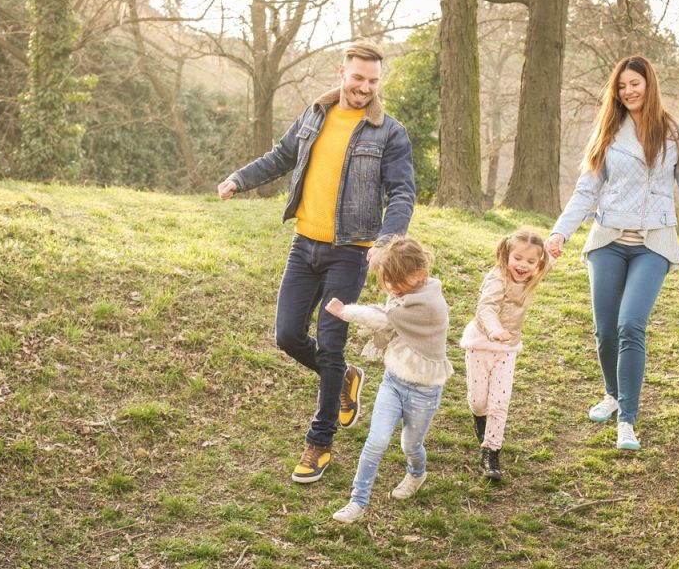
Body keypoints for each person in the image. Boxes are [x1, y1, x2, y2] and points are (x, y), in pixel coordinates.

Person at [217, 40, 416, 483]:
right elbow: (282, 156)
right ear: (341, 72)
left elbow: (402, 192)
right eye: (358, 77)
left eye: (373, 81)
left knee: (329, 343)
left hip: (351, 252)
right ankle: (344, 378)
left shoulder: (389, 132)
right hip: (304, 245)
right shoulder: (314, 115)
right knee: (287, 335)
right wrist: (238, 179)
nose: (365, 87)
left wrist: (387, 241)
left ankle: (319, 441)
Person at [544, 55, 679, 451]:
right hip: (608, 240)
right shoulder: (608, 130)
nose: (628, 91)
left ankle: (627, 419)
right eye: (622, 86)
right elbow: (586, 190)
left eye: (635, 84)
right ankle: (611, 393)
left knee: (630, 326)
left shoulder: (677, 134)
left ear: (649, 84)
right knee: (605, 331)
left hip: (654, 243)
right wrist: (560, 233)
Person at [324, 237, 452, 524]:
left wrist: (344, 312)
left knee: (410, 446)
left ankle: (417, 474)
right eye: (387, 282)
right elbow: (388, 314)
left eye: (396, 282)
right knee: (377, 440)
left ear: (419, 276)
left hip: (424, 391)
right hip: (393, 382)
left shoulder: (429, 305)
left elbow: (383, 319)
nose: (391, 289)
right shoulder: (403, 296)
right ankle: (357, 501)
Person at [460, 230, 552, 479]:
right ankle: (479, 419)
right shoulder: (496, 278)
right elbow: (486, 308)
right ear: (507, 255)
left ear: (538, 263)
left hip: (508, 349)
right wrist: (495, 330)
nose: (523, 266)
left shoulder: (533, 275)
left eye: (531, 261)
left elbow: (548, 260)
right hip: (481, 344)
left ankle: (491, 452)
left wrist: (554, 247)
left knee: (499, 404)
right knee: (479, 402)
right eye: (518, 258)